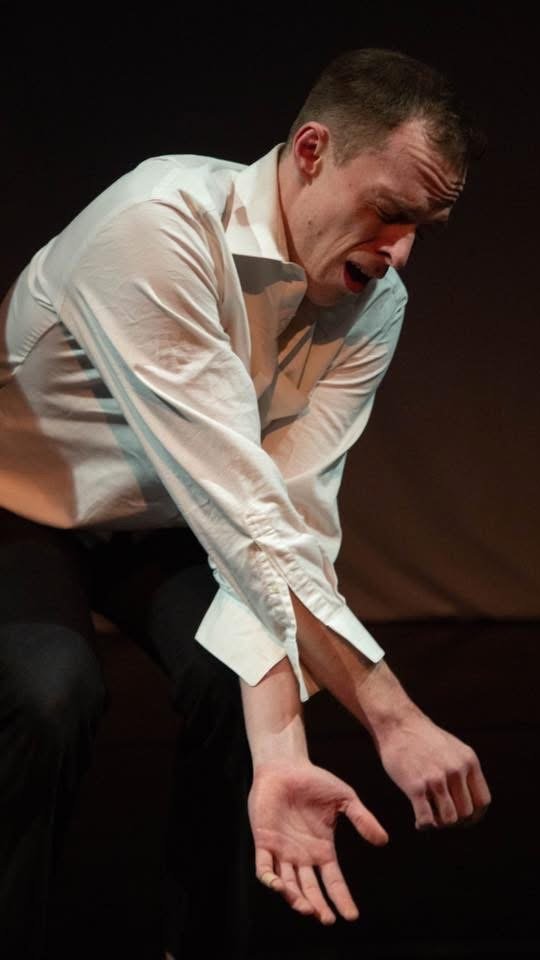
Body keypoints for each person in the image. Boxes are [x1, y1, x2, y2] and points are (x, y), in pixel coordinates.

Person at [0, 48, 491, 959]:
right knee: (46, 691)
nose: (399, 251)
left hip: (169, 516)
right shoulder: (158, 225)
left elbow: (284, 521)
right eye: (388, 211)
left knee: (244, 685)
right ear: (311, 151)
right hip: (20, 505)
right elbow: (238, 507)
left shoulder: (372, 305)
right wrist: (391, 714)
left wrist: (281, 754)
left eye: (422, 226)